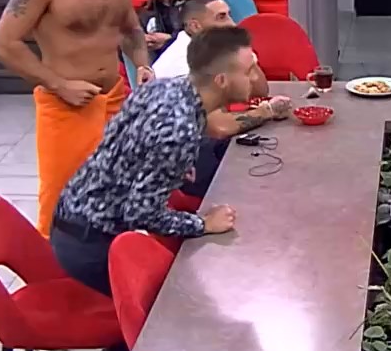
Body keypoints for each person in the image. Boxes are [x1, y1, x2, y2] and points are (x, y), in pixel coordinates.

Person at [0, 0, 153, 236]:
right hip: (66, 106)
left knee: (118, 187)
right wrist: (60, 85)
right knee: (59, 203)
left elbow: (130, 29)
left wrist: (142, 64)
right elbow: (4, 44)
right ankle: (51, 265)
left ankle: (111, 259)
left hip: (114, 98)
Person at [51, 26, 254, 300]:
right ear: (222, 80)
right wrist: (203, 224)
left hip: (71, 220)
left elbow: (127, 142)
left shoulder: (164, 87)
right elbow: (141, 214)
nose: (254, 77)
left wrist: (173, 167)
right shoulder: (179, 131)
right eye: (248, 71)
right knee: (186, 300)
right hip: (90, 246)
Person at [151, 0, 289, 198]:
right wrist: (267, 111)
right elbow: (218, 127)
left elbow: (260, 90)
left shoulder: (211, 50)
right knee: (263, 180)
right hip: (178, 165)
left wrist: (249, 62)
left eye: (229, 15)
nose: (232, 24)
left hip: (203, 142)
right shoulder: (181, 62)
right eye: (221, 17)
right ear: (195, 26)